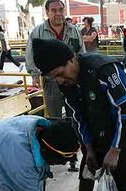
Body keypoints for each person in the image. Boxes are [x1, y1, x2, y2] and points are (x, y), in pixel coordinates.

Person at [31, 38, 126, 191]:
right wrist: (89, 147)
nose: (60, 81)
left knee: (121, 171)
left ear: (71, 60)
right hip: (98, 124)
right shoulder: (66, 81)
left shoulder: (104, 70)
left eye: (60, 74)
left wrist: (115, 149)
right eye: (54, 78)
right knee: (89, 166)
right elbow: (77, 114)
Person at [25, 0, 84, 172]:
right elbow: (30, 55)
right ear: (47, 12)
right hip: (51, 82)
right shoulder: (38, 32)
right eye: (53, 10)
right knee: (54, 118)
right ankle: (53, 152)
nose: (58, 14)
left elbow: (81, 53)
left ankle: (72, 155)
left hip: (71, 81)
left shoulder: (74, 31)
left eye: (60, 10)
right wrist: (35, 74)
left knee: (74, 116)